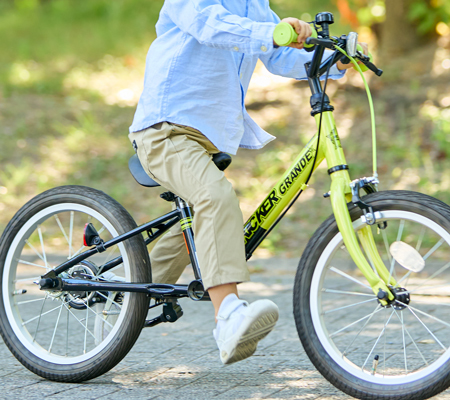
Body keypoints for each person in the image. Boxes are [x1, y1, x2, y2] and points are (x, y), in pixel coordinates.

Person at [129, 0, 364, 365]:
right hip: (165, 128)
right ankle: (227, 316)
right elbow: (210, 24)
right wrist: (271, 32)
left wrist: (333, 59)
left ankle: (127, 300)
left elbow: (280, 57)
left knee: (199, 224)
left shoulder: (254, 5)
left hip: (207, 138)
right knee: (214, 197)